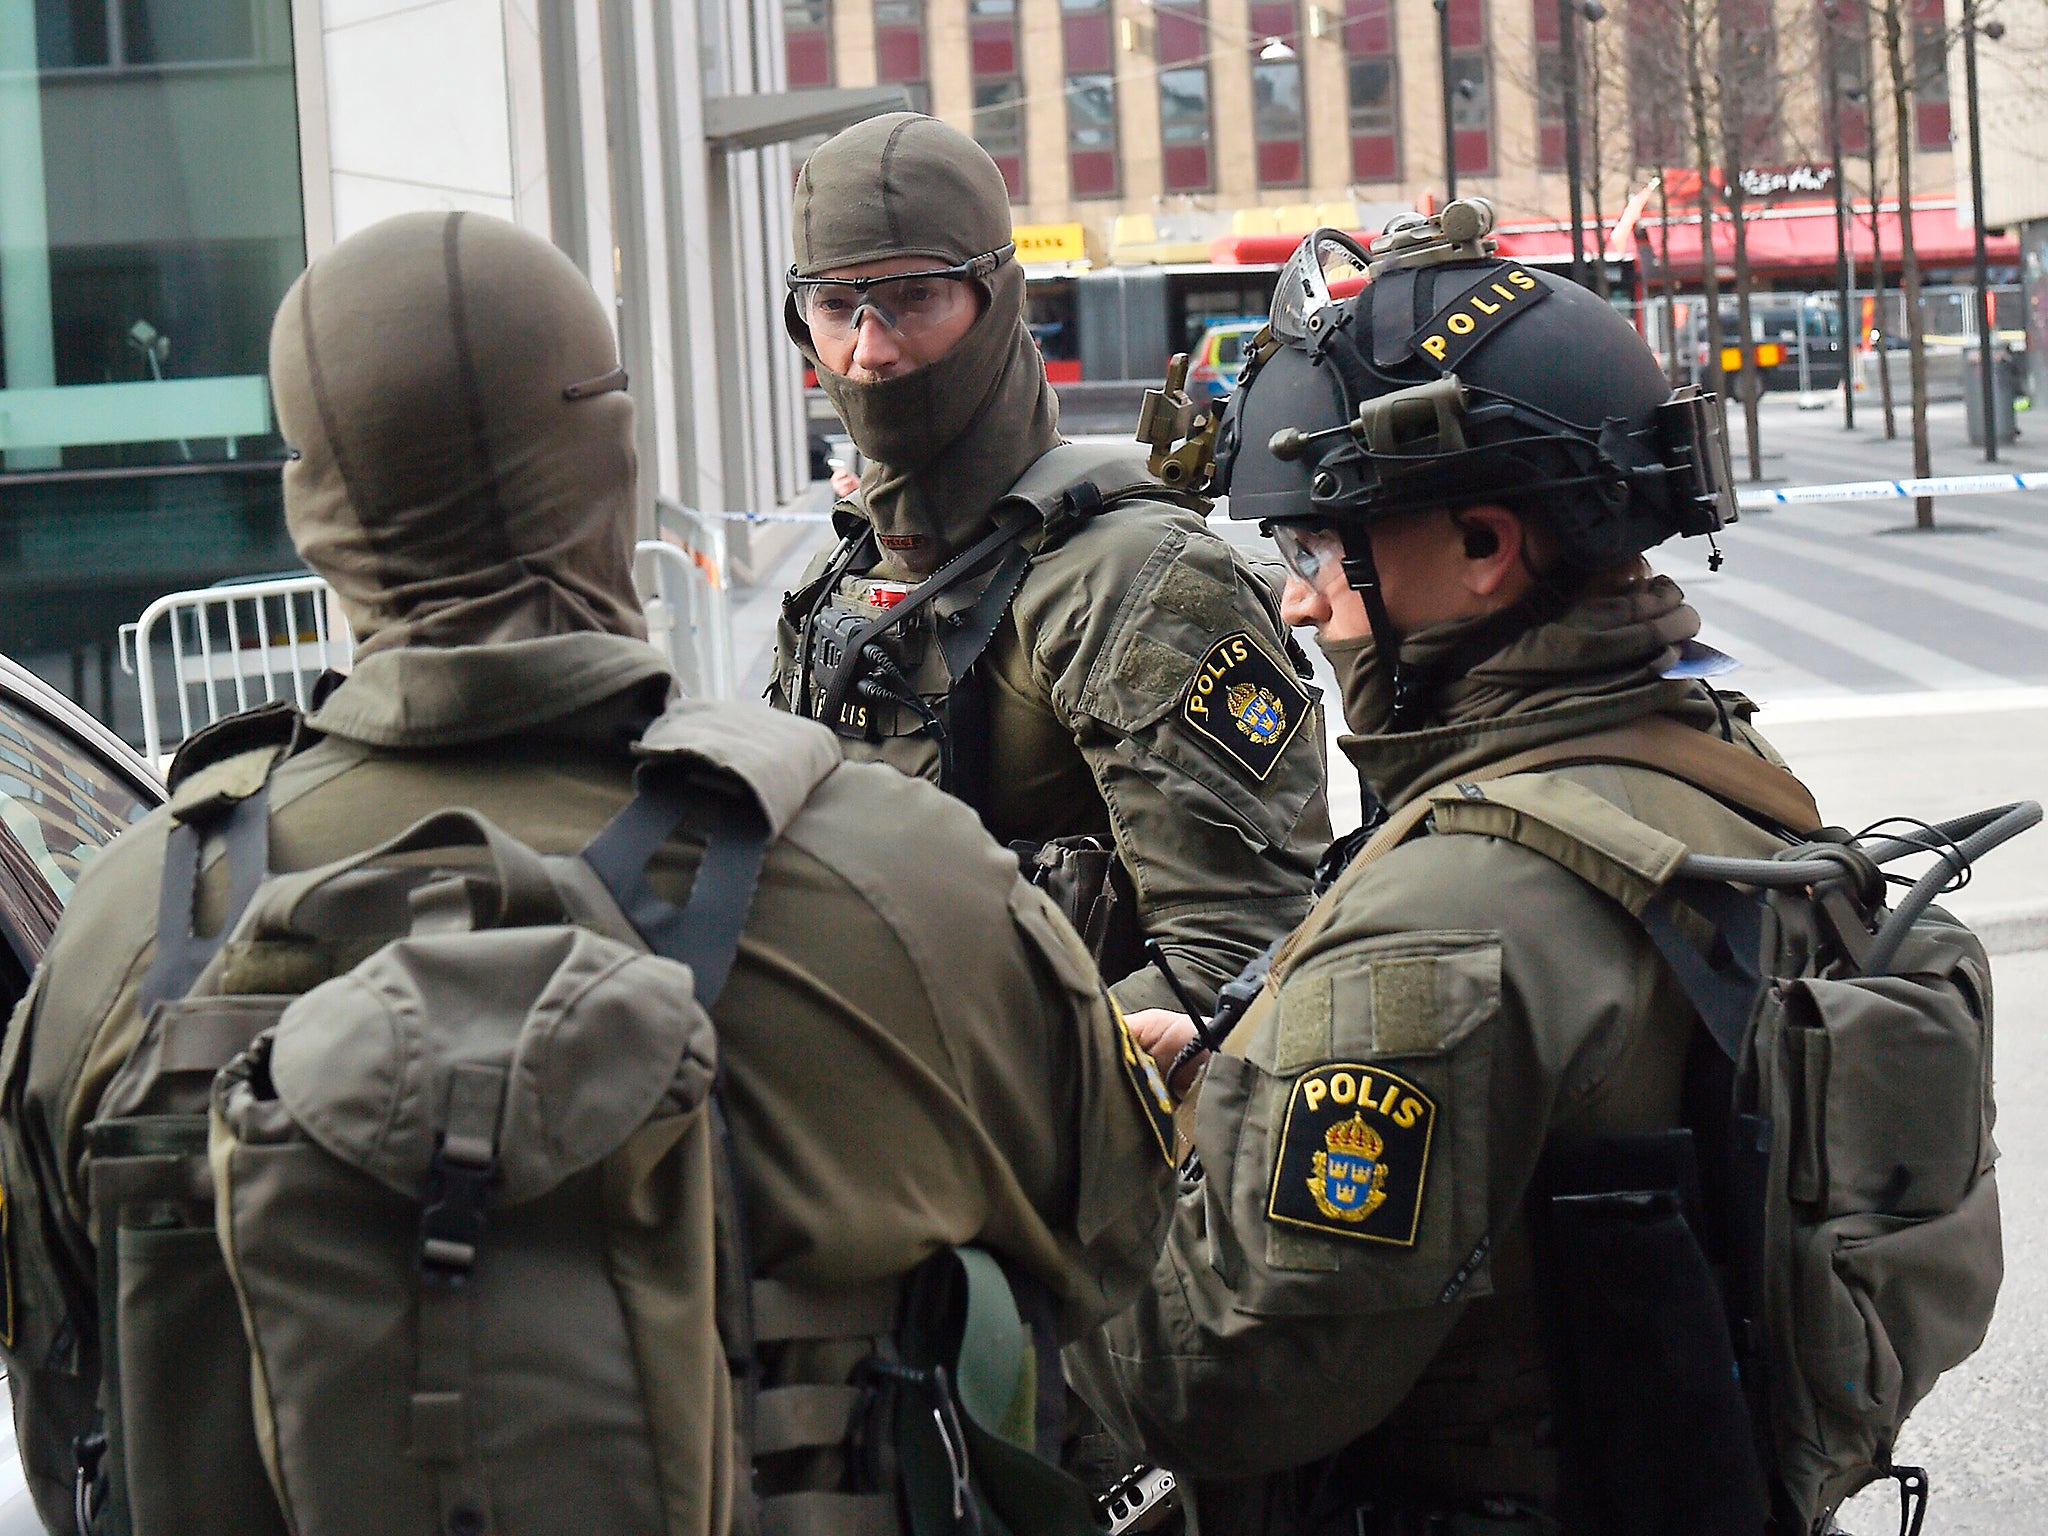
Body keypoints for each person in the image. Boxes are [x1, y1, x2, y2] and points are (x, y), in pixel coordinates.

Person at [0, 212, 1174, 1535]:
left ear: (311, 510)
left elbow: (69, 1436)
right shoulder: (906, 886)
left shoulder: (123, 937)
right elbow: (1127, 1282)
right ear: (612, 462)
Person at [1071, 205, 1829, 1533]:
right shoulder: (1722, 777)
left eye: (1316, 551)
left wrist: (1082, 1157)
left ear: (1485, 548)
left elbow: (1215, 1378)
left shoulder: (1441, 924)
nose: (1299, 603)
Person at [771, 113, 1329, 1022]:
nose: (870, 350)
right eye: (837, 306)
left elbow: (1238, 961)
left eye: (914, 298)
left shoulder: (1135, 577)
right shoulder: (848, 569)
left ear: (997, 299)